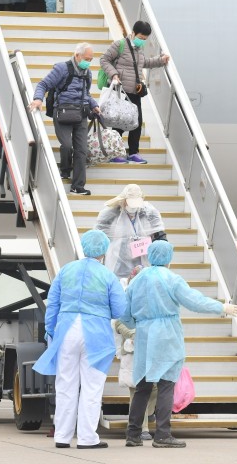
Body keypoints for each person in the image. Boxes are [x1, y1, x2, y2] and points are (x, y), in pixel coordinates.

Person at [119, 240, 237, 448]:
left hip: (144, 335)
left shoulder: (137, 280)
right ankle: (162, 435)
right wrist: (222, 308)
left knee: (142, 386)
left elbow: (125, 314)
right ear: (169, 258)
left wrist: (139, 324)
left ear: (150, 256)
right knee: (167, 384)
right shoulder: (172, 279)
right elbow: (194, 301)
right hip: (167, 334)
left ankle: (133, 434)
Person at [34, 230, 126, 450]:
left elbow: (53, 304)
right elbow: (119, 310)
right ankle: (87, 438)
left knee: (65, 384)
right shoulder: (107, 276)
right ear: (103, 252)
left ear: (83, 248)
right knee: (91, 388)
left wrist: (50, 330)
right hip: (96, 335)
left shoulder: (65, 271)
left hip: (66, 331)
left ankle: (62, 437)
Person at [30, 43, 100, 195]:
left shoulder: (87, 73)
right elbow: (43, 84)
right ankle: (65, 169)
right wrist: (38, 99)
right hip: (62, 113)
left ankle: (78, 186)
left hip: (80, 113)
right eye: (86, 59)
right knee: (67, 146)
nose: (88, 62)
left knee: (82, 150)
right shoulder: (62, 68)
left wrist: (94, 105)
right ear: (77, 55)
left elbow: (86, 93)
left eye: (91, 59)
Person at [99, 20, 170, 164]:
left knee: (136, 123)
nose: (142, 41)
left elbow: (145, 63)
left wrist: (161, 60)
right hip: (121, 91)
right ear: (133, 33)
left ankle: (133, 153)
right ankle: (115, 154)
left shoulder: (139, 50)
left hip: (135, 92)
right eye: (140, 38)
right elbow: (104, 59)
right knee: (119, 123)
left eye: (145, 39)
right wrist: (114, 74)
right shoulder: (120, 45)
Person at [113, 266, 156, 441]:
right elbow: (118, 323)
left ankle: (149, 413)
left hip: (151, 347)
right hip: (132, 348)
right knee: (136, 389)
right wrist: (133, 333)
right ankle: (142, 427)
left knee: (155, 387)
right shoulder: (125, 298)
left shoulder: (153, 299)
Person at [94, 184, 167, 280]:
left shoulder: (149, 212)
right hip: (118, 261)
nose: (133, 207)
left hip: (141, 260)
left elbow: (159, 234)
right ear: (124, 200)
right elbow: (98, 235)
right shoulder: (111, 213)